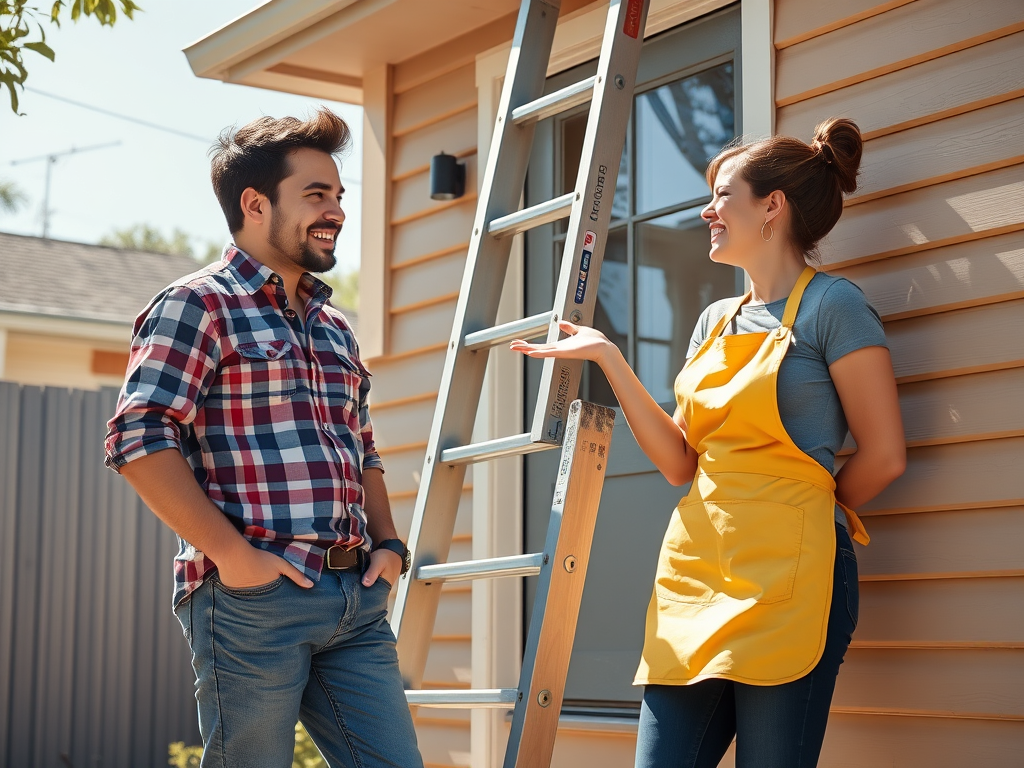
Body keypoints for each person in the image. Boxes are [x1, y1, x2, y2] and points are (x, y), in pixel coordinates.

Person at [510, 117, 906, 768]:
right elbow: (677, 463)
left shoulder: (833, 307)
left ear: (771, 206)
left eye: (723, 194)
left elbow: (885, 455)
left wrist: (801, 508)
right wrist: (609, 357)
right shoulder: (713, 321)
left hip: (793, 580)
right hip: (698, 574)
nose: (707, 210)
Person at [104, 109, 422, 768]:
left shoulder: (334, 325)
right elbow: (138, 437)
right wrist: (234, 558)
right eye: (316, 195)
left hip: (354, 602)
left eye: (338, 195)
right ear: (254, 204)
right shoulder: (197, 305)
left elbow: (361, 445)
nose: (336, 210)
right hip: (255, 602)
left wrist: (388, 544)